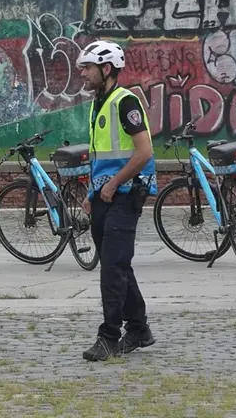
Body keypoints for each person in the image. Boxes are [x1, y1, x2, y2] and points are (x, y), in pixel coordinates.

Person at [76, 40, 158, 361]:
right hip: (103, 196)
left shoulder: (126, 102)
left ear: (106, 69)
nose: (82, 73)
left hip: (125, 194)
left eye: (87, 68)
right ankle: (139, 327)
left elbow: (144, 152)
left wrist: (113, 183)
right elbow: (101, 158)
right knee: (118, 264)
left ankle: (110, 336)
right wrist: (91, 193)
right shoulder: (97, 104)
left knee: (112, 267)